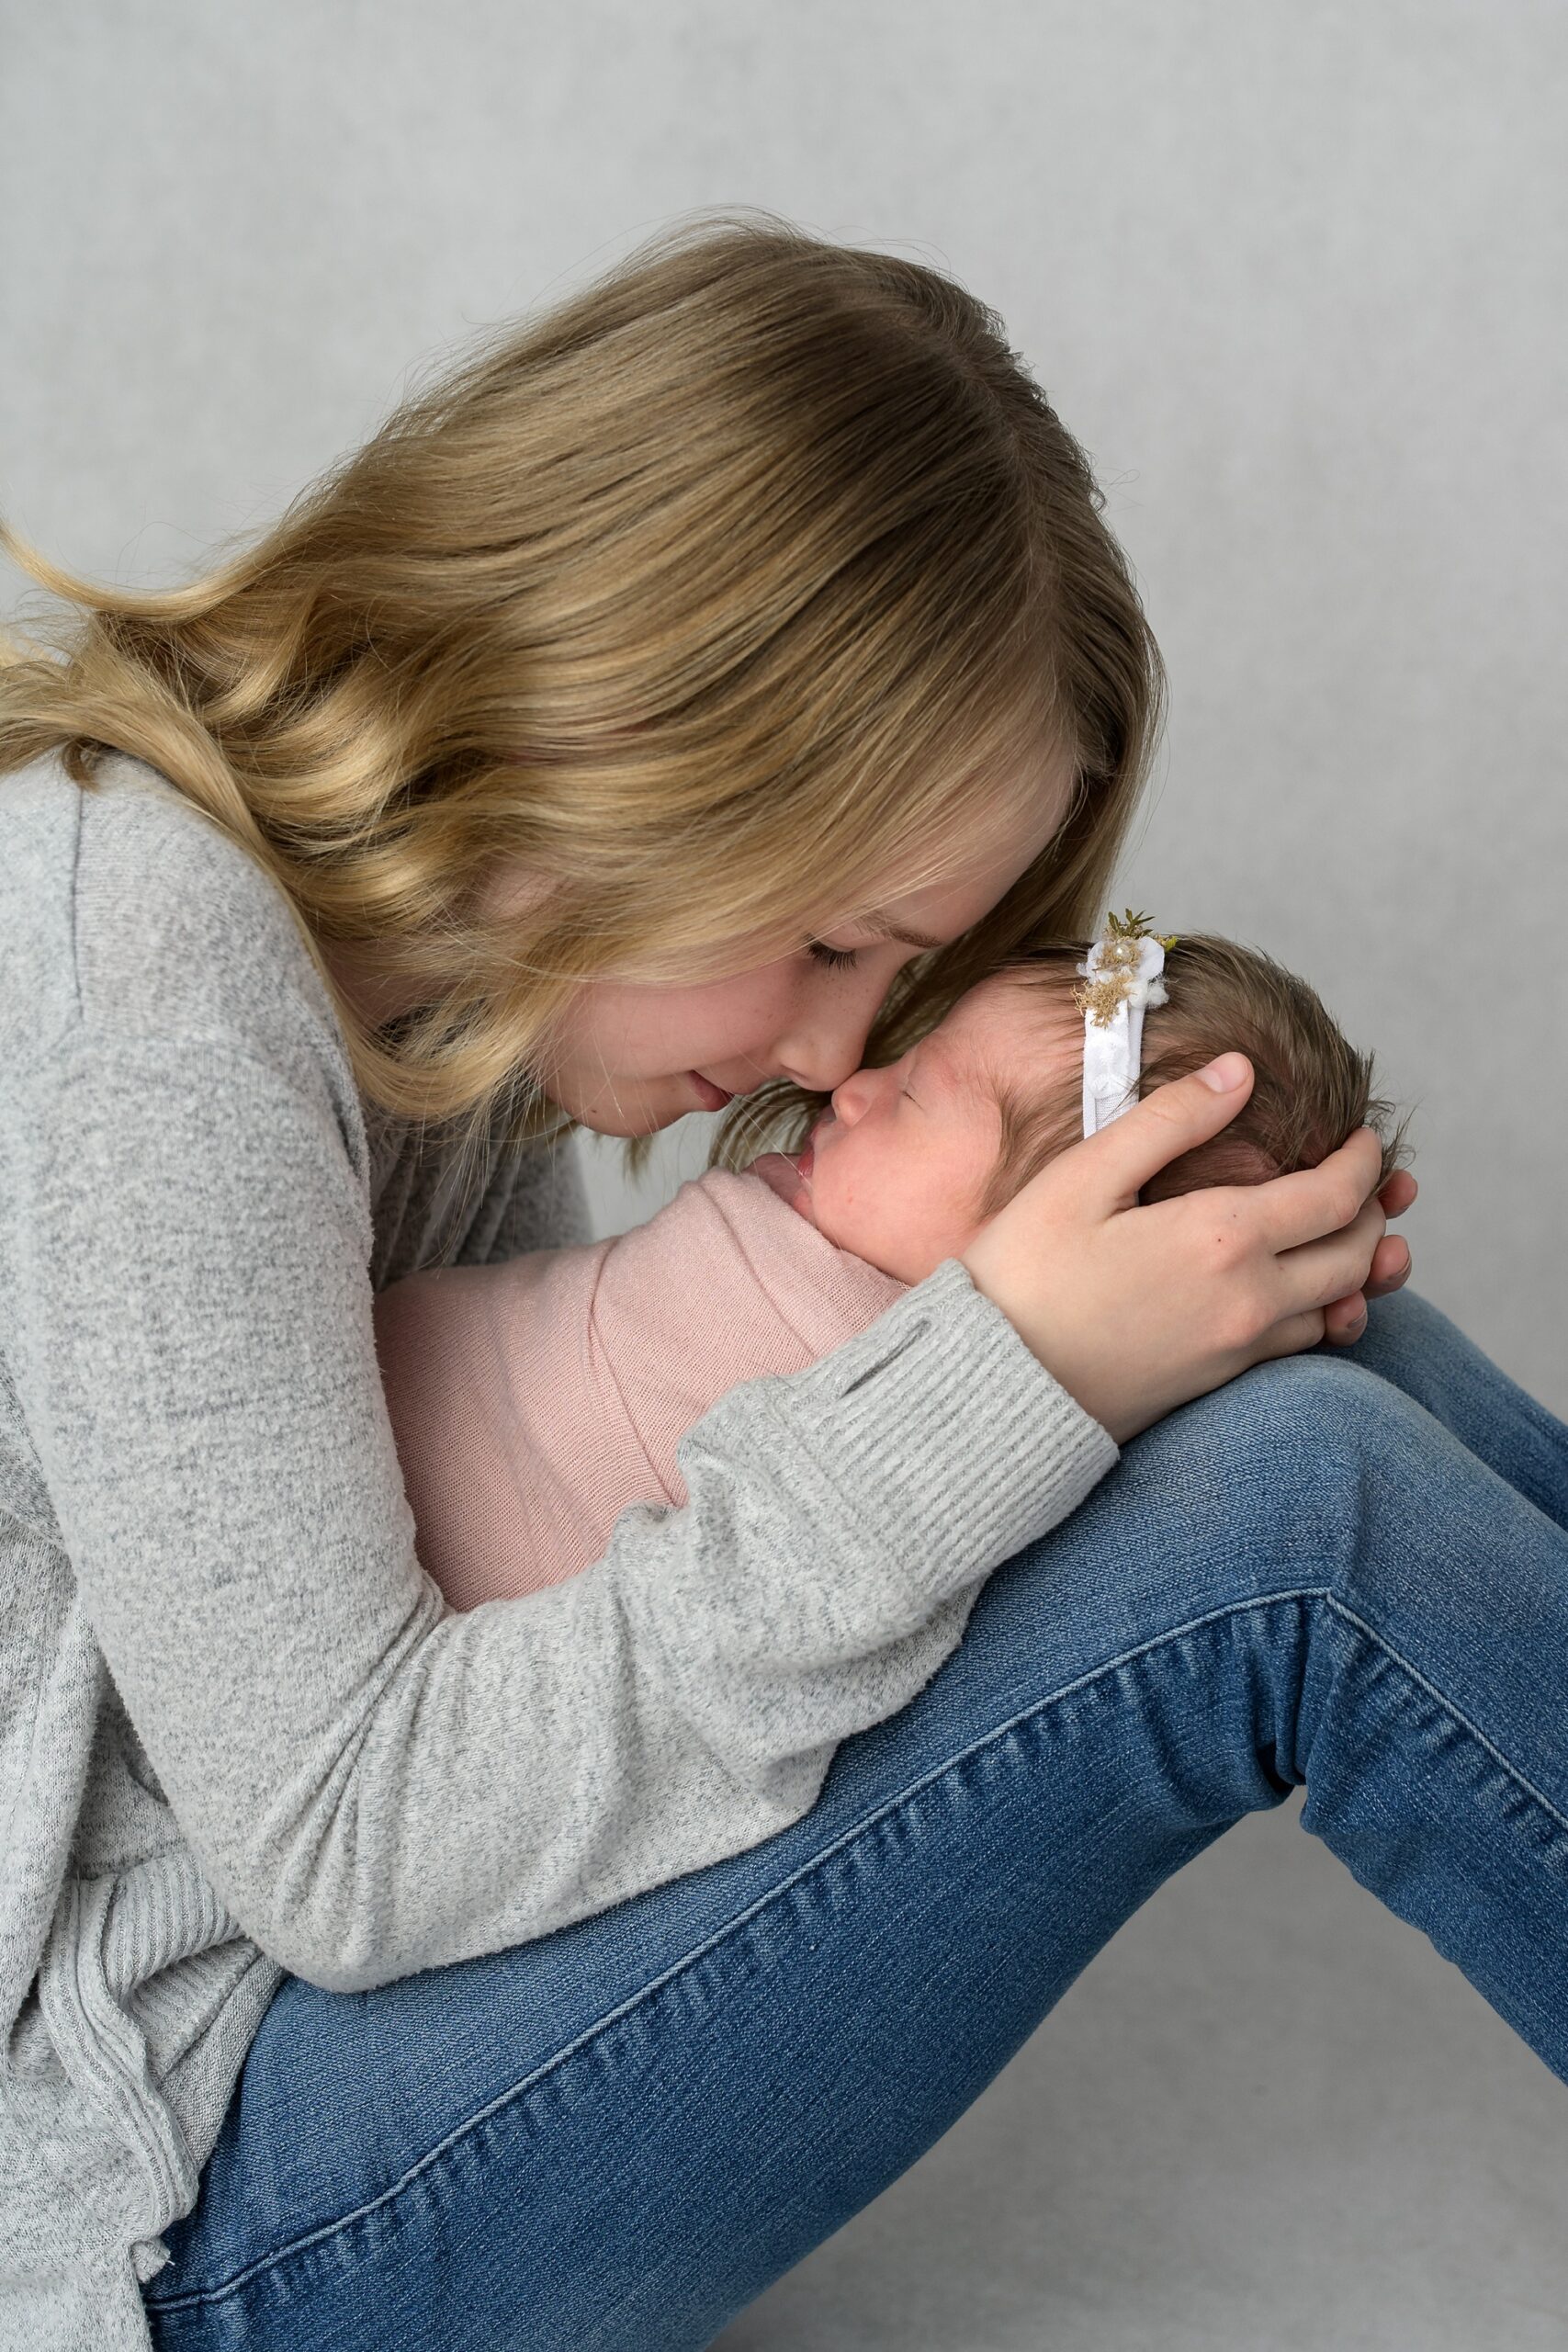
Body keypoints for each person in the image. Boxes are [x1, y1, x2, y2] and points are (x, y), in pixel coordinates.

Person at [0, 212, 1558, 2352]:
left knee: (1253, 1283)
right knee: (1287, 1513)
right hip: (161, 2201)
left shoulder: (452, 997)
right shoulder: (155, 973)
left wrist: (1054, 1347)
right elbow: (347, 1845)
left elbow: (549, 1557)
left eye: (892, 974)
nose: (837, 1051)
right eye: (828, 938)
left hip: (312, 2043)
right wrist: (991, 1378)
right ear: (629, 721)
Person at [374, 920, 1414, 1606]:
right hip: (358, 1564)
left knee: (1340, 1360)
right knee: (1346, 1380)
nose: (851, 1083)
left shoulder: (854, 1379)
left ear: (1082, 1243)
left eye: (914, 1096)